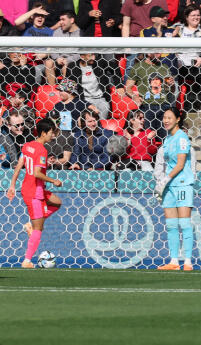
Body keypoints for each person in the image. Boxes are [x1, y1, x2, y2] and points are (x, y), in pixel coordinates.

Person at [6, 118, 63, 268]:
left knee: (57, 202)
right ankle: (27, 260)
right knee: (39, 228)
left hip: (30, 188)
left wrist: (12, 185)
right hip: (34, 192)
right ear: (44, 133)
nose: (53, 136)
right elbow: (37, 173)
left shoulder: (28, 145)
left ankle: (33, 223)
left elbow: (19, 166)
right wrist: (53, 181)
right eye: (51, 133)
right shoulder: (42, 150)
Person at [153, 108, 195, 271]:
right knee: (171, 225)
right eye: (164, 117)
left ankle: (188, 262)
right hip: (169, 186)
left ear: (178, 119)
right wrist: (162, 184)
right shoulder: (168, 140)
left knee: (184, 223)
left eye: (169, 117)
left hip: (182, 183)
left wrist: (164, 180)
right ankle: (174, 261)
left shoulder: (182, 138)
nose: (166, 120)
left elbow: (180, 164)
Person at [175, 4, 201, 112]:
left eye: (198, 15)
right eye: (193, 15)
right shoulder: (178, 30)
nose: (196, 17)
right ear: (186, 17)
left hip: (198, 63)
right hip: (180, 64)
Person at [126, 53, 178, 140]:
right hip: (147, 107)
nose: (160, 54)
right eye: (157, 52)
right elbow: (128, 88)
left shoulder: (164, 66)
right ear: (149, 53)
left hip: (164, 106)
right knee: (149, 138)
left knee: (165, 139)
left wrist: (171, 85)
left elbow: (171, 90)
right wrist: (135, 97)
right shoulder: (138, 67)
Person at [64, 53, 115, 120]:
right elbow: (67, 88)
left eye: (94, 55)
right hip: (83, 99)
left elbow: (115, 67)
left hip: (100, 99)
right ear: (82, 56)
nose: (93, 58)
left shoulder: (99, 63)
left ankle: (100, 128)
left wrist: (119, 85)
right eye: (90, 55)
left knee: (105, 107)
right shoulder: (72, 66)